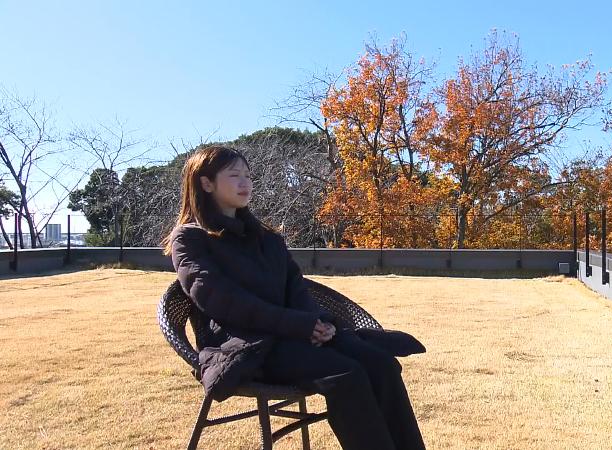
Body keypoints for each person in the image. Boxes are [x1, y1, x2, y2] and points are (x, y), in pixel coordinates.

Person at [161, 145, 425, 450]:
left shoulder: (267, 238)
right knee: (346, 374)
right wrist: (299, 325)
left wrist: (317, 323)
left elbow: (296, 288)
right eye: (234, 176)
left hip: (294, 335)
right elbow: (219, 299)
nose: (245, 183)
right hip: (248, 345)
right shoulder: (190, 238)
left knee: (382, 365)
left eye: (248, 175)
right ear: (206, 183)